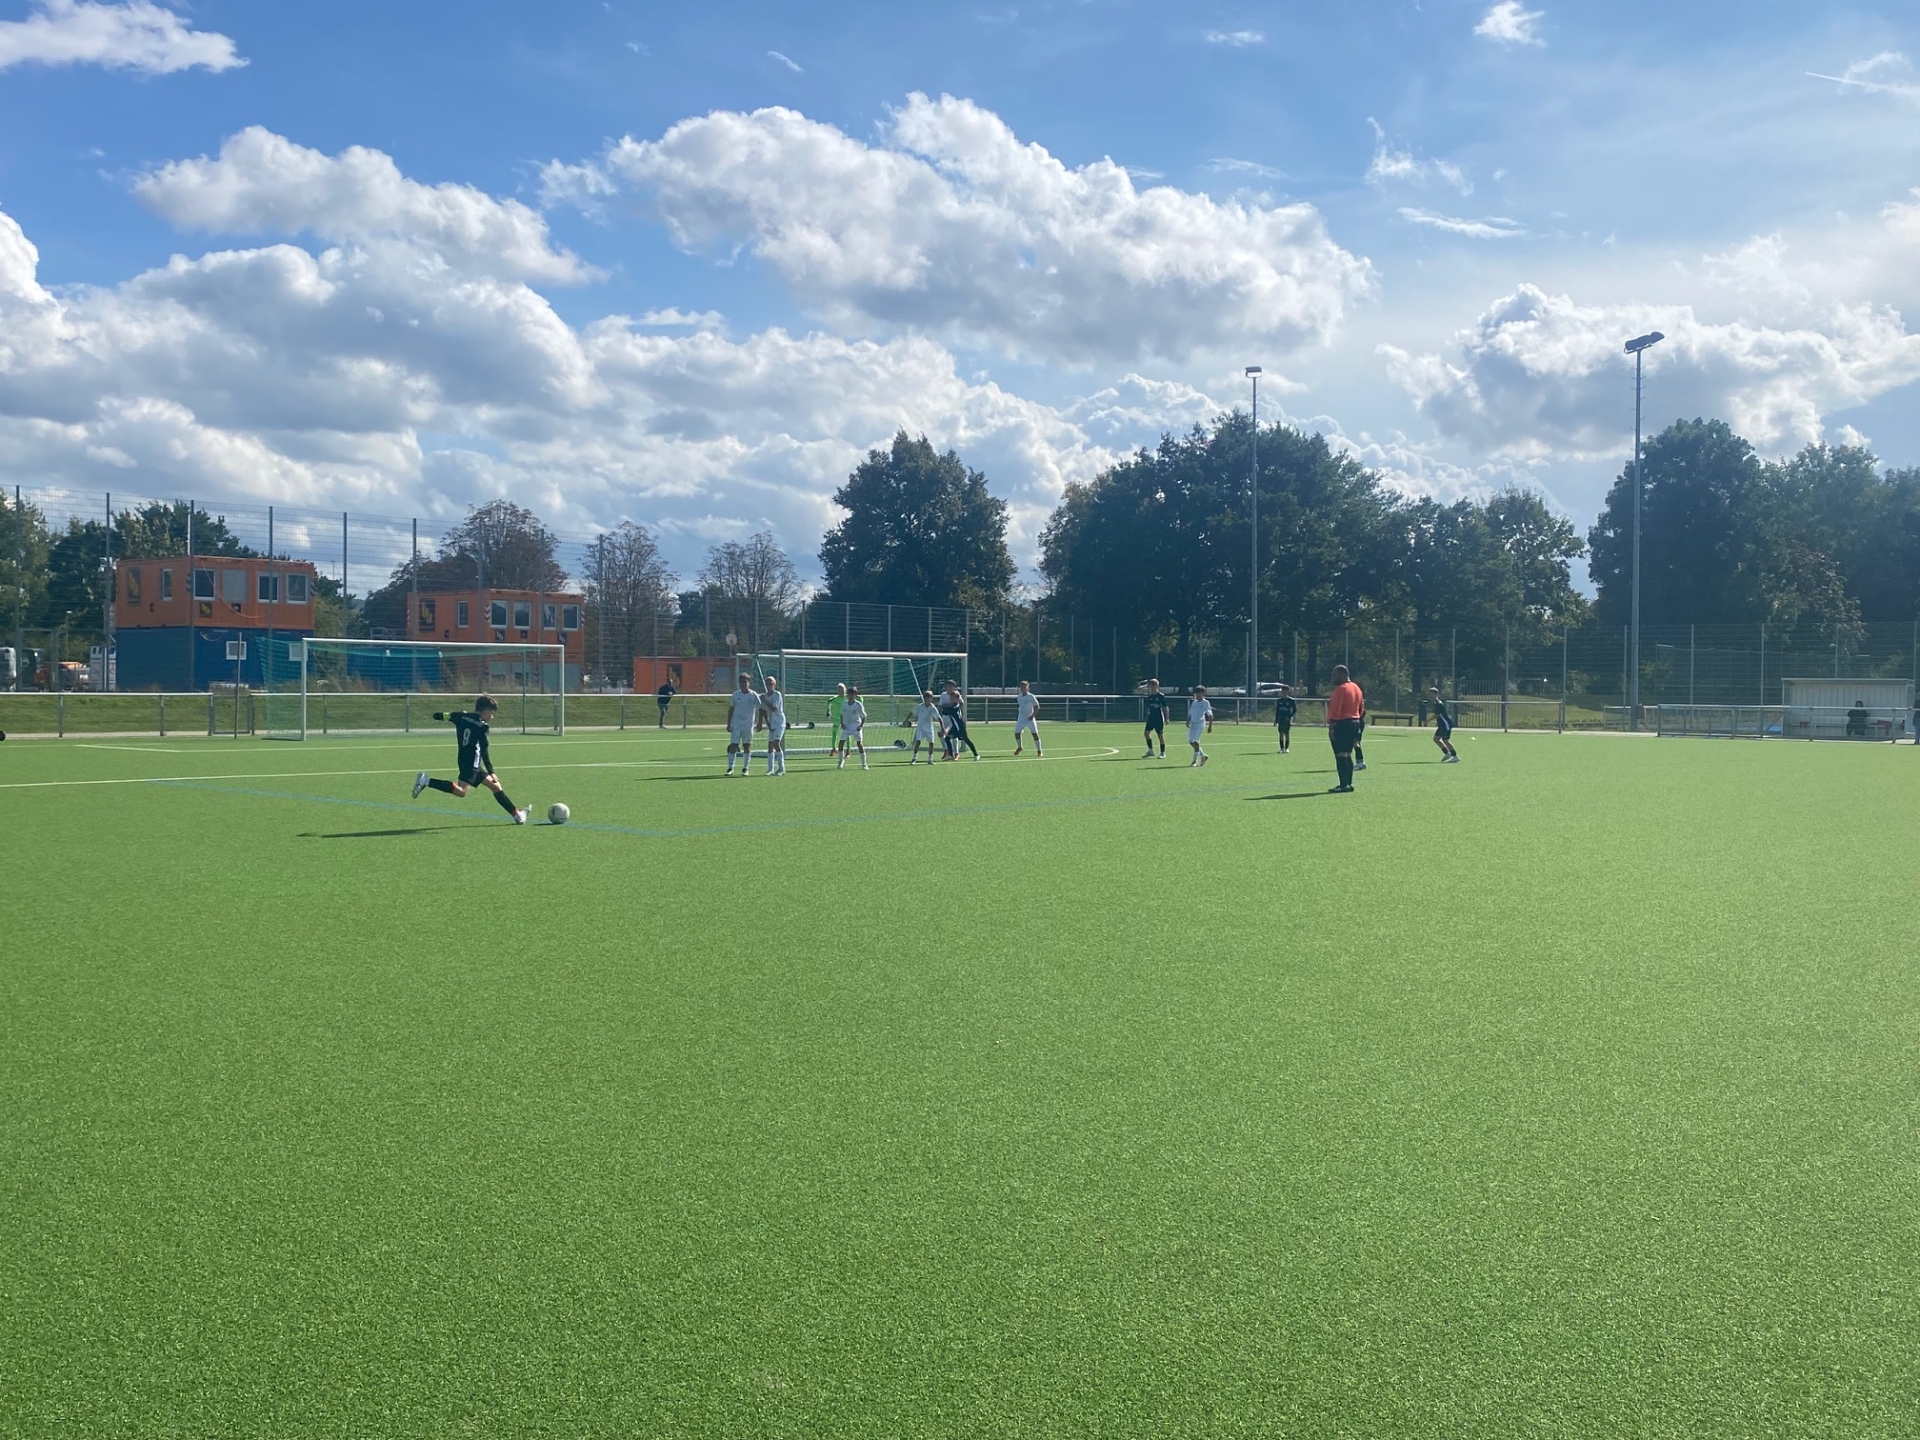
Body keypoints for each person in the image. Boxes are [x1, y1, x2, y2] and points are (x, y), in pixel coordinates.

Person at [412, 695, 528, 824]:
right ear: (485, 711)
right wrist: (491, 772)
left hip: (465, 759)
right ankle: (427, 781)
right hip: (472, 763)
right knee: (461, 791)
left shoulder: (461, 716)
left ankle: (517, 815)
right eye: (491, 713)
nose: (492, 717)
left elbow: (442, 715)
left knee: (495, 787)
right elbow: (484, 752)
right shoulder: (482, 727)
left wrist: (437, 715)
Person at [1326, 664, 1365, 792]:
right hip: (1355, 722)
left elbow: (1335, 710)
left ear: (1343, 674)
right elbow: (1361, 708)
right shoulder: (1356, 688)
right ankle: (1348, 783)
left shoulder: (1340, 689)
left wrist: (1332, 728)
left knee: (1340, 754)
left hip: (1342, 723)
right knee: (1347, 754)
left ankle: (1343, 784)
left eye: (1335, 675)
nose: (1334, 677)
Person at [726, 672, 760, 774]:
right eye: (741, 681)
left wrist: (759, 722)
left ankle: (745, 768)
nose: (743, 683)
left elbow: (760, 708)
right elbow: (731, 709)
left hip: (748, 725)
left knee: (746, 746)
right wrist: (728, 723)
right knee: (733, 745)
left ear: (749, 682)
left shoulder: (753, 695)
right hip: (736, 724)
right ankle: (730, 768)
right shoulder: (735, 695)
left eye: (745, 681)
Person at [940, 681, 980, 760]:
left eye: (952, 698)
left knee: (966, 739)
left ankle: (976, 754)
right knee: (947, 738)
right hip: (954, 726)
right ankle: (950, 755)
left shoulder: (954, 706)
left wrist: (945, 706)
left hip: (959, 725)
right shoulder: (951, 705)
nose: (950, 698)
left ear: (956, 699)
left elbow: (947, 709)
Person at [760, 675, 787, 775]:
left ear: (774, 685)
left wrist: (764, 700)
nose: (769, 685)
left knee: (776, 743)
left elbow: (774, 709)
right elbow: (763, 711)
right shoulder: (765, 696)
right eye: (767, 683)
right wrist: (767, 723)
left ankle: (781, 768)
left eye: (771, 683)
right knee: (770, 745)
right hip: (771, 723)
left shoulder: (777, 695)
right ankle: (770, 769)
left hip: (779, 722)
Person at [838, 684, 869, 769]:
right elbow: (841, 714)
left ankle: (864, 764)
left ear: (855, 695)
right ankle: (841, 761)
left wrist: (860, 726)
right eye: (849, 694)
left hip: (856, 726)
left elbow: (864, 716)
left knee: (859, 744)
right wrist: (842, 723)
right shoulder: (844, 704)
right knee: (841, 743)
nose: (850, 696)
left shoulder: (858, 705)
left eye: (852, 694)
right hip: (846, 726)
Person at [909, 688, 942, 764]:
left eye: (929, 697)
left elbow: (939, 718)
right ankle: (914, 758)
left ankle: (930, 759)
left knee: (931, 743)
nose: (927, 699)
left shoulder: (933, 708)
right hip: (920, 727)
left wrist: (942, 728)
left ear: (931, 698)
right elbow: (912, 712)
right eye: (926, 697)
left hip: (929, 728)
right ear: (924, 698)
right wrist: (905, 720)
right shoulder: (920, 706)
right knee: (918, 742)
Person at [1013, 679, 1043, 756]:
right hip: (1021, 718)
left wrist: (1032, 715)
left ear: (1027, 688)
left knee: (1035, 734)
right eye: (1021, 687)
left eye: (1024, 687)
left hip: (1030, 718)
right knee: (1017, 733)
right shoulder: (1019, 697)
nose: (1022, 689)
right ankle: (1020, 747)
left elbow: (1037, 706)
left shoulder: (1031, 696)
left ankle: (1039, 751)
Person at [1430, 686, 1459, 762]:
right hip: (1441, 725)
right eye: (1430, 694)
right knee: (1436, 739)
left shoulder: (1439, 704)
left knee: (1445, 740)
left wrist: (1427, 721)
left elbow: (1437, 715)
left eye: (1432, 694)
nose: (1430, 696)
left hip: (1446, 724)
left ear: (1436, 694)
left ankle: (1455, 756)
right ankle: (1447, 753)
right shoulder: (1435, 703)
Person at [1142, 678, 1170, 758]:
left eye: (1153, 685)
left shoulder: (1161, 696)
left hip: (1158, 718)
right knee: (1146, 733)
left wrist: (1167, 718)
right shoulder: (1150, 697)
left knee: (1160, 735)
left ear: (1156, 686)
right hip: (1151, 717)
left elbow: (1165, 707)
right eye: (1150, 686)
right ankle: (1150, 750)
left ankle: (1162, 753)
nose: (1151, 687)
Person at [1186, 685, 1214, 766]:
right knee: (1190, 741)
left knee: (1196, 741)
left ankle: (1194, 761)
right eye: (1197, 692)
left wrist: (1210, 726)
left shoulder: (1206, 703)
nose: (1198, 694)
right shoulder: (1194, 703)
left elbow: (1210, 715)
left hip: (1200, 723)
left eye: (1199, 692)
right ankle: (1203, 756)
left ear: (1203, 693)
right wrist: (1188, 720)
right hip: (1193, 724)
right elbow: (1190, 712)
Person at [1273, 683, 1297, 754]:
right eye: (1283, 690)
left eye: (1286, 690)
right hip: (1281, 719)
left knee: (1287, 733)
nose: (1284, 692)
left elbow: (1295, 710)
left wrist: (1290, 716)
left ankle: (1286, 748)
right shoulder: (1279, 700)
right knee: (1281, 733)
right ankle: (1281, 748)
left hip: (1287, 719)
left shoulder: (1291, 700)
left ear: (1288, 691)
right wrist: (1276, 720)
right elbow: (1277, 711)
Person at [828, 683, 848, 762]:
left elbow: (860, 699)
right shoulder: (835, 699)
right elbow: (828, 702)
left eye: (842, 689)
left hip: (846, 719)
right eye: (839, 690)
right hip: (837, 719)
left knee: (847, 734)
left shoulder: (847, 698)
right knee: (834, 734)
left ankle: (848, 751)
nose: (841, 691)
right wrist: (828, 710)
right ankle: (833, 748)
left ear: (845, 690)